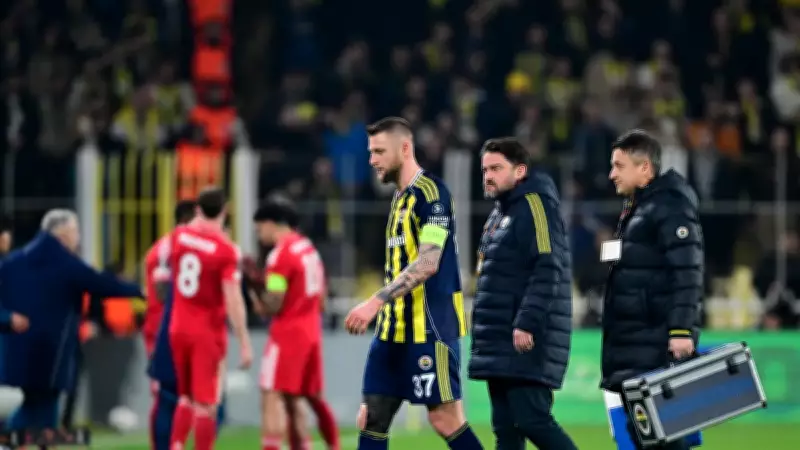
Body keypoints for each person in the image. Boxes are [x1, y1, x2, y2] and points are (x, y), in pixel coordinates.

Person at [345, 117, 482, 450]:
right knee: (372, 416)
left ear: (405, 149)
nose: (372, 160)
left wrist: (375, 301)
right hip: (391, 331)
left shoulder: (432, 195)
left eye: (379, 151)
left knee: (445, 419)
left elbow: (428, 262)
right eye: (370, 152)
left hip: (430, 327)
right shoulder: (398, 198)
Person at [468, 137, 577, 450]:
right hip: (499, 340)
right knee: (506, 429)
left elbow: (548, 266)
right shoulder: (499, 214)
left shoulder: (535, 205)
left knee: (532, 420)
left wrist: (527, 321)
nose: (488, 176)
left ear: (520, 171)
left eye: (496, 169)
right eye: (485, 170)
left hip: (525, 339)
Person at [602, 130, 703, 450]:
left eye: (619, 166)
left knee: (664, 438)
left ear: (644, 168)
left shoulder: (670, 206)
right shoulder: (639, 208)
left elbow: (687, 272)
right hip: (635, 343)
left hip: (656, 343)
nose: (611, 174)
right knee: (645, 437)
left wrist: (680, 330)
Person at [0, 209, 142, 431]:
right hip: (50, 350)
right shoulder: (65, 263)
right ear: (64, 232)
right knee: (43, 407)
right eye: (76, 231)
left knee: (37, 404)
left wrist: (7, 318)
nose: (78, 237)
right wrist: (139, 290)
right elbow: (102, 284)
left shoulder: (14, 261)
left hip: (17, 350)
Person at [158, 187, 253, 450]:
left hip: (178, 326)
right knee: (207, 404)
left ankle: (176, 445)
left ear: (198, 209)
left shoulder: (179, 236)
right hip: (206, 332)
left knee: (185, 397)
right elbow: (233, 299)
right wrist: (244, 341)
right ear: (225, 211)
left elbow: (163, 271)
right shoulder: (226, 250)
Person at [251, 197, 341, 450]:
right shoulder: (307, 249)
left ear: (271, 224)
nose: (259, 234)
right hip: (311, 331)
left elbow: (274, 303)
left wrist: (255, 293)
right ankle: (333, 445)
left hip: (287, 334)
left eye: (259, 228)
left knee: (271, 394)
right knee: (305, 397)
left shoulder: (280, 255)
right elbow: (322, 299)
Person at [143, 200, 197, 357]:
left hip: (175, 330)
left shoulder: (181, 246)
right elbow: (162, 292)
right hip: (163, 331)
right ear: (187, 219)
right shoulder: (167, 248)